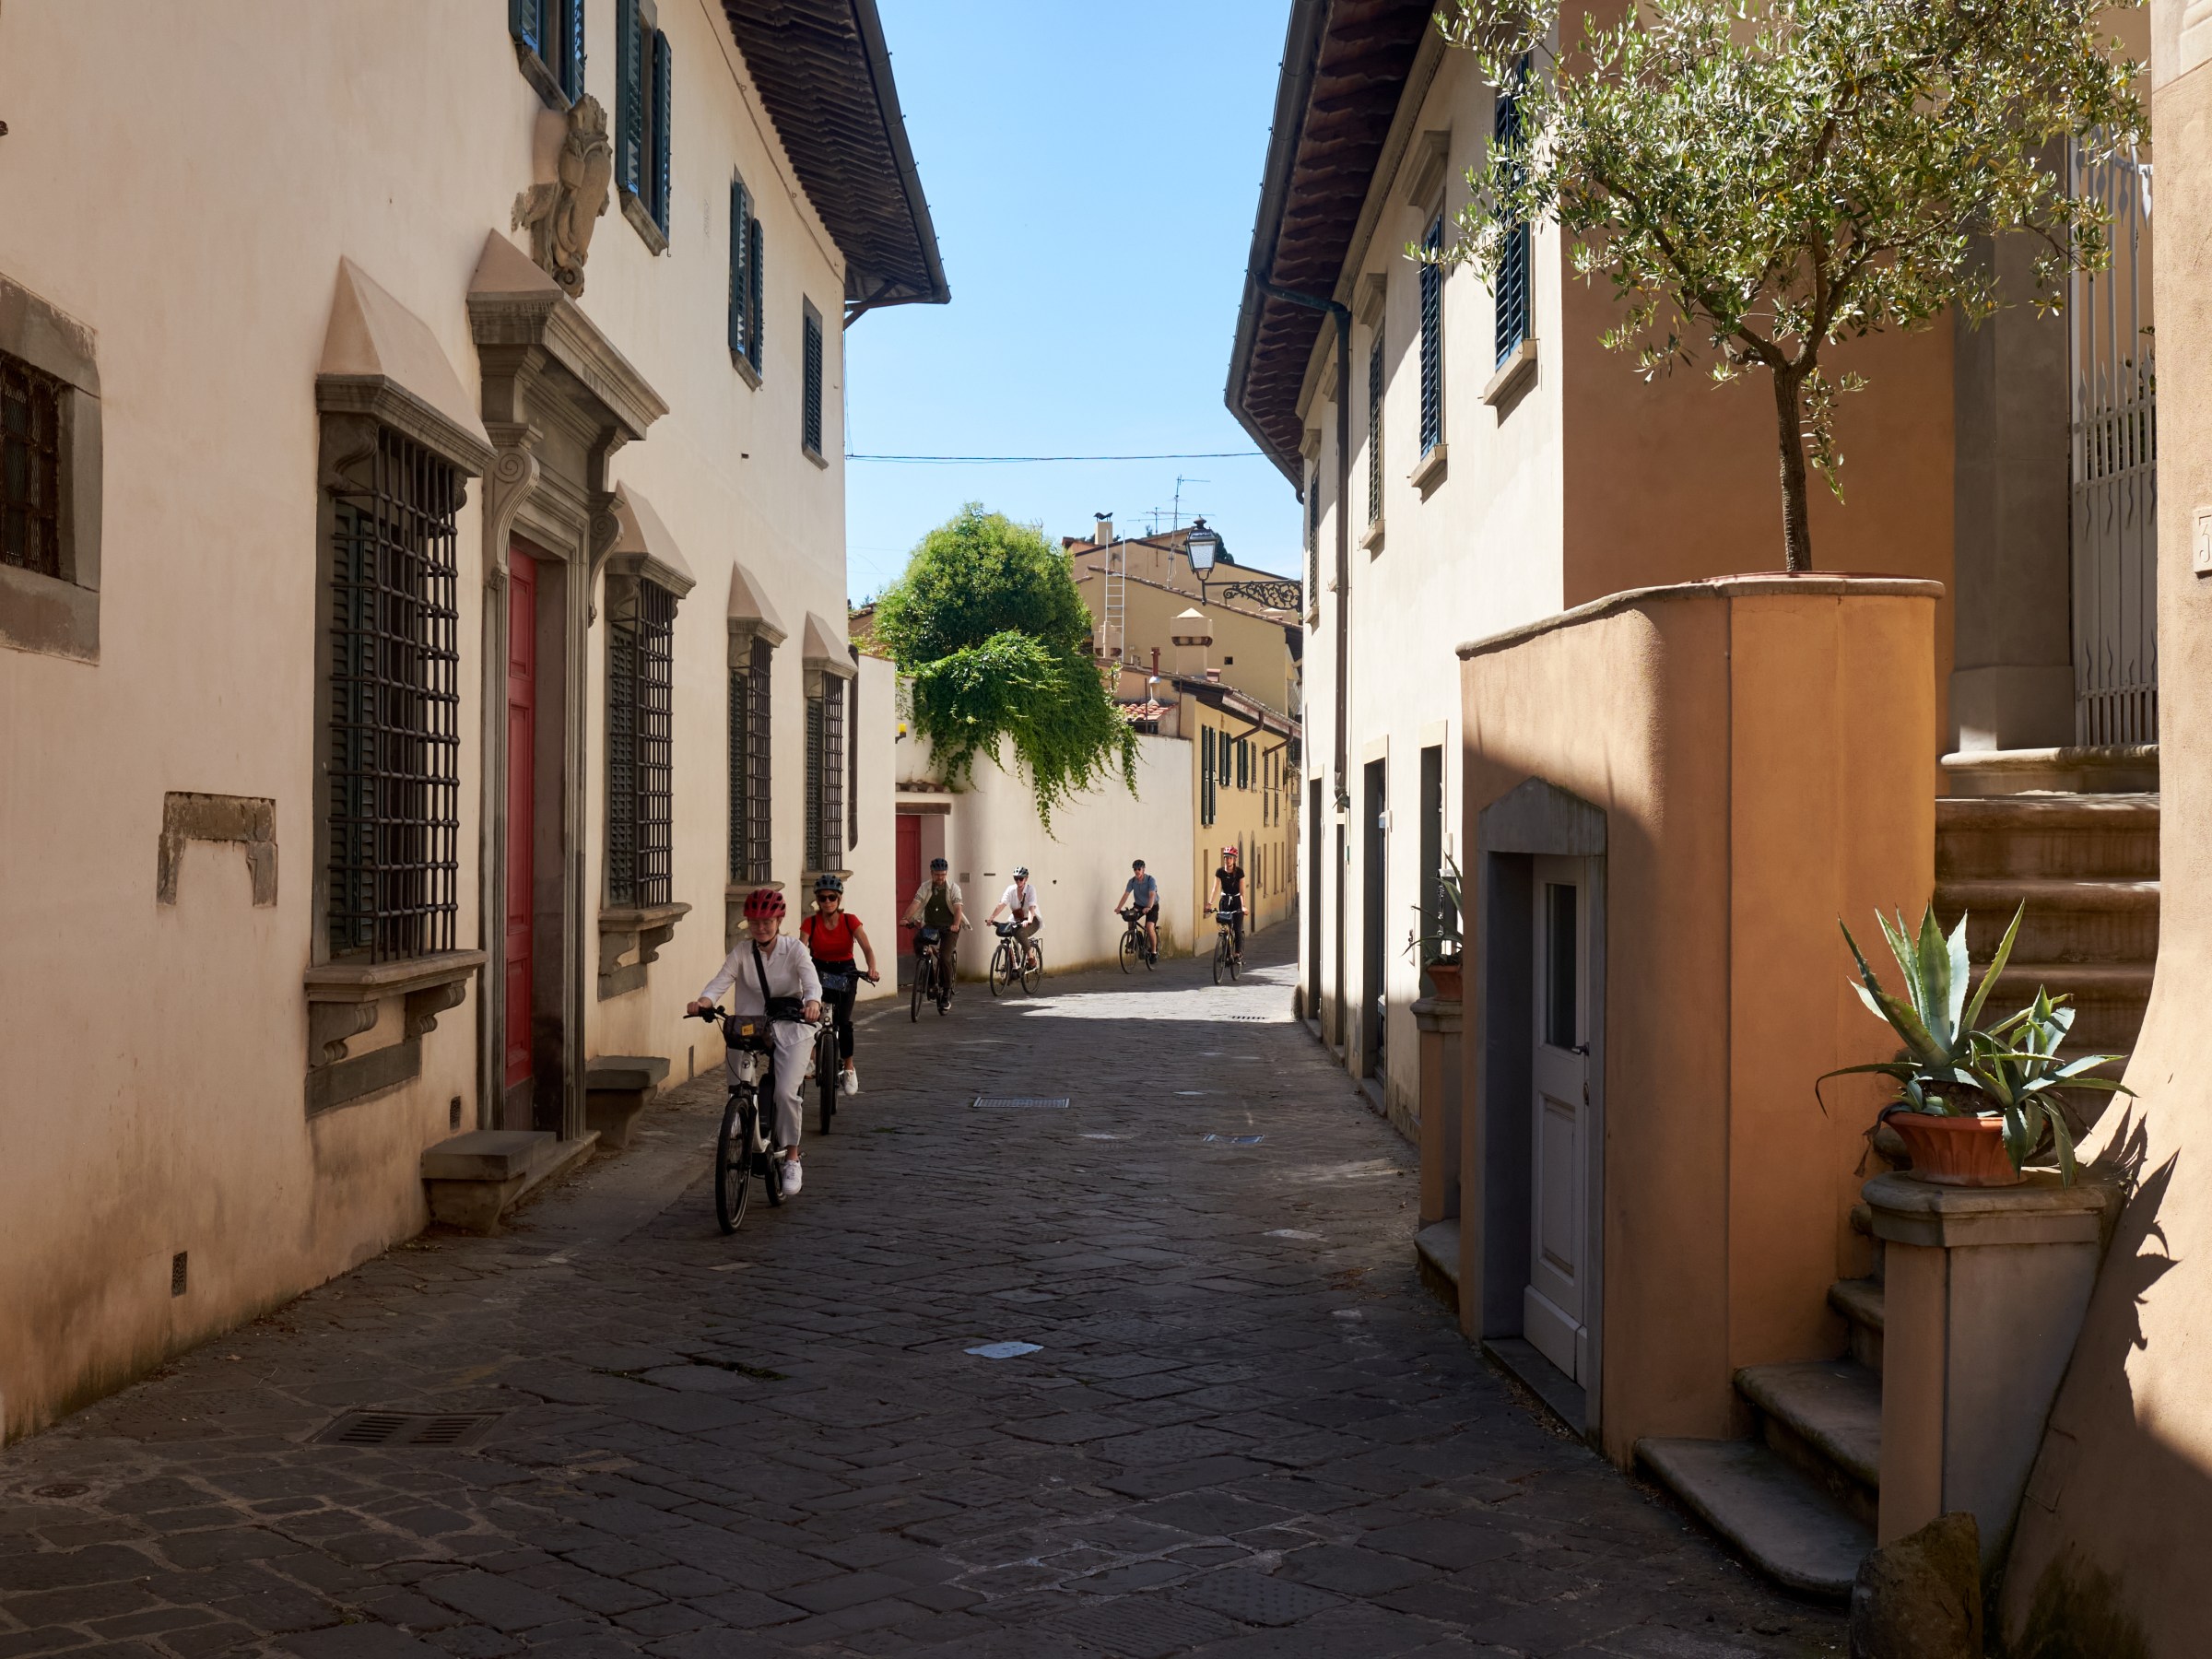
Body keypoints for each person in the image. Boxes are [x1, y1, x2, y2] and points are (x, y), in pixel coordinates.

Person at [687, 888, 822, 1195]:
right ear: (748, 922)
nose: (761, 927)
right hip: (754, 1025)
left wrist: (812, 1002)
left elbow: (811, 981)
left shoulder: (795, 950)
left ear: (779, 920)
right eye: (755, 922)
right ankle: (738, 1107)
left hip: (792, 1026)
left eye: (768, 921)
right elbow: (721, 979)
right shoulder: (741, 953)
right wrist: (705, 1000)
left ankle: (791, 1156)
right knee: (734, 1043)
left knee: (787, 1093)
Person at [800, 875, 878, 1094]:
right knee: (811, 1017)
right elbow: (800, 951)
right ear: (817, 900)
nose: (827, 902)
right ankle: (813, 1058)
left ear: (839, 898)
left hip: (845, 970)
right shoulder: (810, 922)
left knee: (843, 1022)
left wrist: (872, 968)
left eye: (832, 897)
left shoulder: (849, 920)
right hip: (819, 970)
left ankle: (850, 1067)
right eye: (822, 898)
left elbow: (867, 949)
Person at [902, 856, 966, 994]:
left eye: (943, 874)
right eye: (937, 875)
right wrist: (906, 918)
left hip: (949, 928)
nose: (940, 878)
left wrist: (955, 925)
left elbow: (957, 909)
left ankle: (947, 991)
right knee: (918, 943)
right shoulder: (925, 887)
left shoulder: (954, 888)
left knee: (944, 956)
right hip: (931, 926)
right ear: (931, 873)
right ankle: (931, 983)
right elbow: (916, 903)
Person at [987, 865, 1042, 971]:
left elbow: (1032, 907)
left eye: (1021, 879)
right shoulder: (1010, 889)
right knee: (1008, 932)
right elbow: (1002, 904)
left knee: (1020, 933)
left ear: (1026, 879)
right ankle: (1011, 963)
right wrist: (992, 917)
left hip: (1032, 920)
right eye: (1016, 879)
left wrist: (1029, 920)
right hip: (1016, 919)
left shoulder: (1031, 890)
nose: (1018, 881)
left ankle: (1031, 959)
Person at [1208, 844, 1247, 964]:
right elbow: (1215, 888)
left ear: (1234, 859)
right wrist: (1209, 903)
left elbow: (1241, 891)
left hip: (1236, 902)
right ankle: (1227, 954)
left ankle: (1237, 954)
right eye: (1226, 857)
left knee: (1237, 928)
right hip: (1224, 902)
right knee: (1225, 929)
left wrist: (1243, 905)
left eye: (1230, 858)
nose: (1228, 860)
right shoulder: (1220, 872)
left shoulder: (1239, 872)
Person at [1116, 858, 1159, 959]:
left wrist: (1149, 907)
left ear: (1143, 869)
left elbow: (1152, 894)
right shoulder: (1132, 881)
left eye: (1139, 869)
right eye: (1135, 869)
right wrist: (1119, 908)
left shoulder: (1150, 880)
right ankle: (1136, 938)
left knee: (1149, 927)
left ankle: (1153, 952)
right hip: (1139, 905)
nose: (1137, 871)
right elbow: (1126, 894)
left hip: (1152, 905)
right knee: (1130, 918)